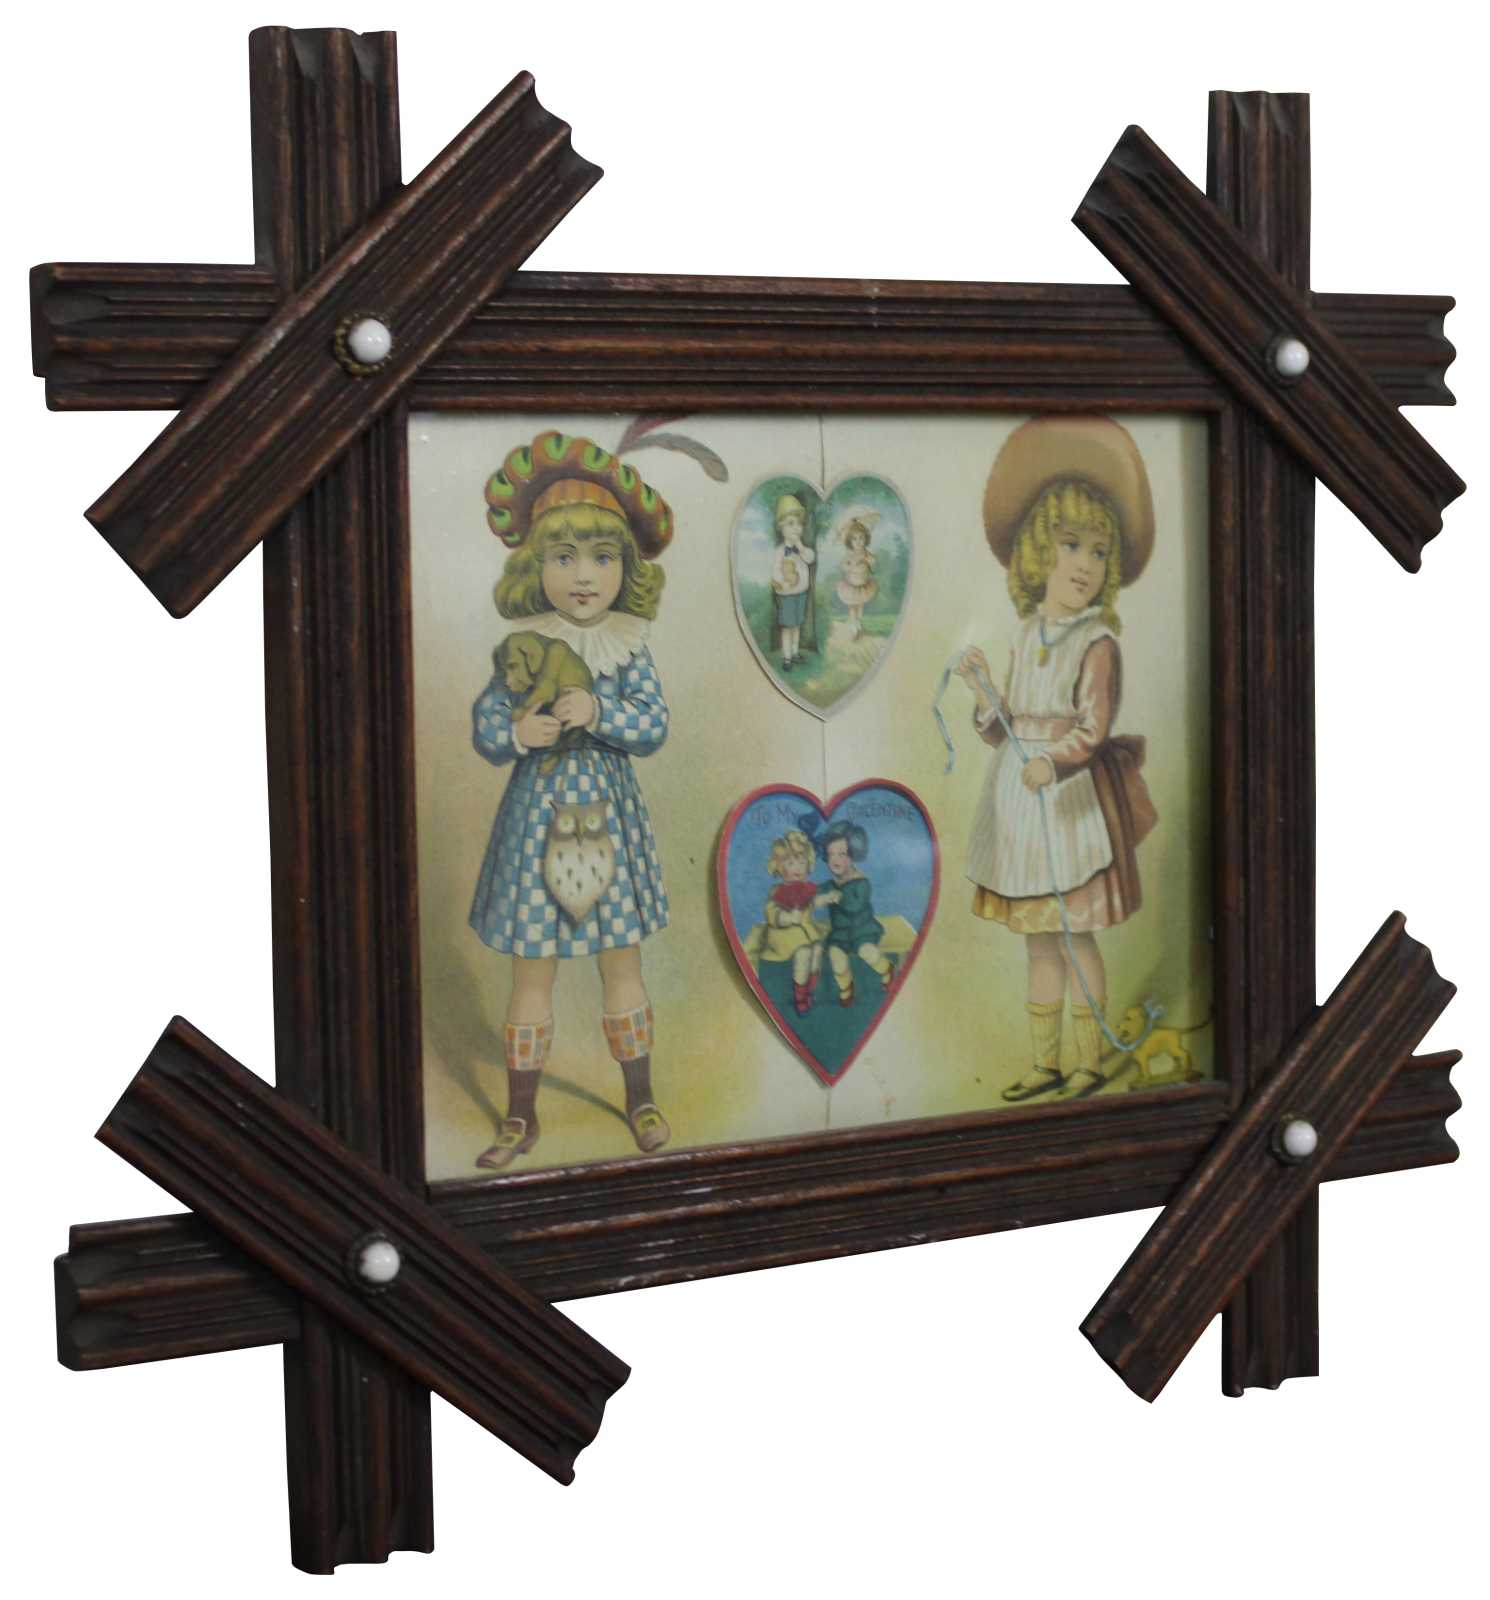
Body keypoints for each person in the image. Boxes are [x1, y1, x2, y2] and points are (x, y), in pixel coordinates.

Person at [470, 430, 674, 1168]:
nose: (583, 576)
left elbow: (654, 723)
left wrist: (601, 712)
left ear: (625, 569)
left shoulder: (628, 646)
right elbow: (487, 723)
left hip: (611, 824)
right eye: (563, 558)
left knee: (622, 965)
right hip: (536, 822)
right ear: (536, 567)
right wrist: (517, 731)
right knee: (533, 970)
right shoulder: (525, 645)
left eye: (602, 558)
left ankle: (640, 1097)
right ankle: (520, 1115)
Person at [955, 416, 1158, 1102]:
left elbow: (1094, 728)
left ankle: (1088, 1064)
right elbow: (1008, 731)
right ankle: (1046, 1063)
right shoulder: (1025, 632)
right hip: (1021, 809)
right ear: (1039, 551)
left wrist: (1057, 762)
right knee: (1039, 942)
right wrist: (984, 692)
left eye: (1098, 552)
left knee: (1076, 939)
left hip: (1069, 811)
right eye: (1070, 545)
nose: (1084, 564)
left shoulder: (1096, 643)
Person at [814, 822, 895, 1007]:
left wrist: (838, 897)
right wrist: (820, 899)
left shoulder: (861, 883)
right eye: (831, 854)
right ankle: (846, 987)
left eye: (841, 854)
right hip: (840, 933)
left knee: (867, 952)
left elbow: (855, 906)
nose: (835, 859)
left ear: (853, 855)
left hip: (862, 930)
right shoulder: (830, 885)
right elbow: (814, 898)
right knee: (836, 957)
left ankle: (887, 969)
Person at [761, 829, 825, 1014]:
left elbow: (813, 902)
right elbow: (771, 913)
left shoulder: (807, 888)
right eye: (791, 863)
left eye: (802, 862)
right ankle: (800, 998)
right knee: (804, 952)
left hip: (804, 931)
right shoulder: (777, 891)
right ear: (780, 867)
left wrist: (825, 899)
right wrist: (788, 917)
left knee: (817, 949)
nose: (798, 868)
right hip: (782, 934)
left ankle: (810, 990)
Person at [769, 493, 815, 669]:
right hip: (787, 595)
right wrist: (782, 582)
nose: (796, 528)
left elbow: (810, 558)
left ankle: (795, 653)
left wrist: (801, 547)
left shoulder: (802, 549)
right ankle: (786, 657)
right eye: (791, 523)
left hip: (801, 593)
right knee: (787, 627)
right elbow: (775, 570)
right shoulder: (780, 551)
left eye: (799, 524)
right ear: (781, 527)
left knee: (797, 626)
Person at [833, 507, 880, 640]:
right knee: (852, 606)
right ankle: (853, 626)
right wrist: (849, 567)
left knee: (860, 605)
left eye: (861, 538)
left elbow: (873, 560)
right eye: (854, 539)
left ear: (866, 538)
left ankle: (857, 622)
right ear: (850, 541)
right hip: (851, 586)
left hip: (863, 585)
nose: (858, 541)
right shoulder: (850, 554)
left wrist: (869, 560)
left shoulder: (866, 553)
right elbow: (843, 564)